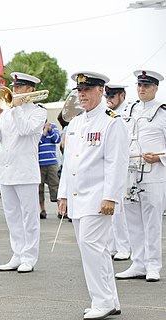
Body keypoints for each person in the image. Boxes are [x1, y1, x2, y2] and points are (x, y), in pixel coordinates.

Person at [57, 71, 129, 319]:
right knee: (92, 248)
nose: (82, 95)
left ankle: (103, 301)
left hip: (98, 197)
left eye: (87, 90)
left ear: (101, 91)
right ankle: (110, 300)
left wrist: (111, 196)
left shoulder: (112, 122)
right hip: (77, 197)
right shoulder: (76, 123)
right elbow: (69, 163)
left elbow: (116, 163)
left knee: (92, 246)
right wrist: (63, 194)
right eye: (79, 91)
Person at [0, 72, 47, 273]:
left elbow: (25, 130)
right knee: (12, 216)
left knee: (29, 216)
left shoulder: (38, 112)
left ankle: (29, 257)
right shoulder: (6, 112)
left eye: (19, 88)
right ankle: (17, 253)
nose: (15, 91)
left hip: (25, 171)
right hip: (6, 171)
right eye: (15, 87)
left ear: (30, 90)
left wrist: (17, 107)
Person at [115, 70, 166, 282]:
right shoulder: (130, 109)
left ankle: (153, 265)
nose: (142, 89)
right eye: (139, 85)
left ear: (155, 87)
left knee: (152, 221)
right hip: (131, 172)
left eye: (146, 85)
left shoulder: (163, 112)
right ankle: (138, 262)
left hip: (154, 173)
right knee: (132, 220)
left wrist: (160, 158)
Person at [104, 85, 131, 261]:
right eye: (107, 95)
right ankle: (113, 244)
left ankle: (124, 246)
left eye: (113, 96)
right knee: (112, 210)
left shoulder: (130, 112)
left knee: (121, 209)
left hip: (127, 164)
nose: (109, 99)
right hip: (109, 164)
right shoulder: (107, 114)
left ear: (122, 95)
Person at [38, 121, 61, 219]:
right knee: (39, 188)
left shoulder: (53, 126)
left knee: (56, 186)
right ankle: (42, 210)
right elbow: (36, 142)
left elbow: (57, 140)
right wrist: (43, 132)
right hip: (39, 162)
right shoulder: (35, 127)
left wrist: (50, 130)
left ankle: (61, 210)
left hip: (52, 161)